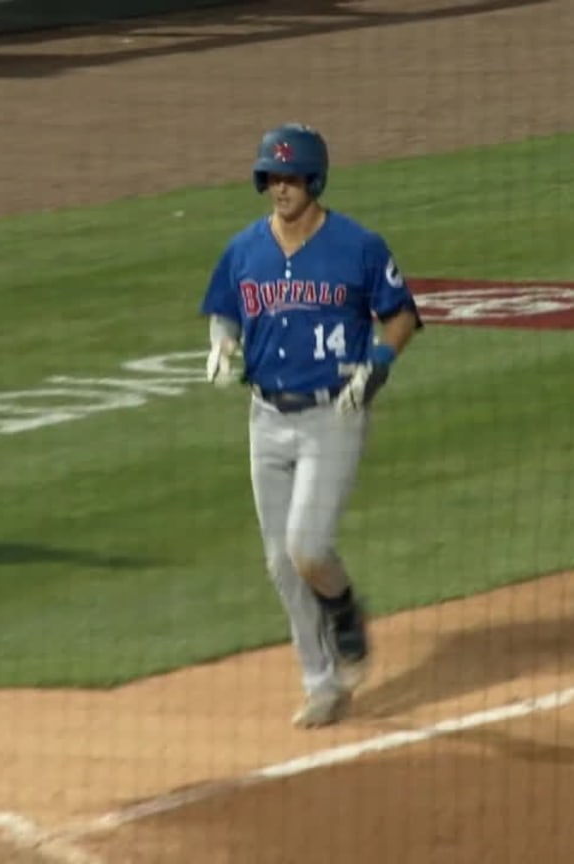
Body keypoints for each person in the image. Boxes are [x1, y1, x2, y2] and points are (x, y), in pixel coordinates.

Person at [198, 123, 422, 728]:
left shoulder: (358, 246)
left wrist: (377, 362)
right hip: (265, 417)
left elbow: (400, 317)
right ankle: (321, 683)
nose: (281, 188)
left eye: (291, 177)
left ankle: (344, 608)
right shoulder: (245, 249)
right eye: (272, 176)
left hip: (334, 415)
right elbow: (224, 308)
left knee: (307, 548)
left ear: (315, 180)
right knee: (279, 562)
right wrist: (222, 343)